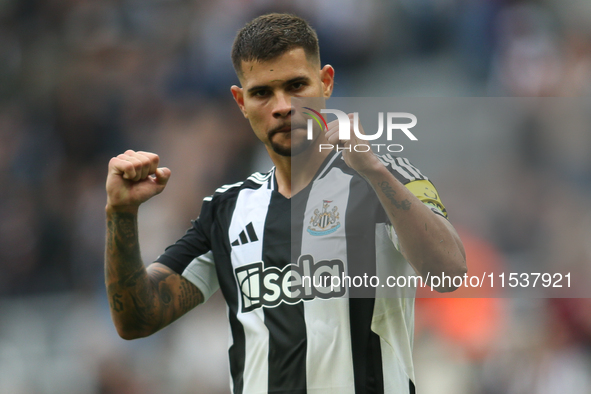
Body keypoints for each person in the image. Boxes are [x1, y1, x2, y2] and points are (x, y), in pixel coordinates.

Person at [104, 13, 466, 394]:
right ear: (241, 102)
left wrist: (375, 171)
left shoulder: (386, 178)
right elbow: (137, 320)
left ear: (325, 83)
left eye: (296, 86)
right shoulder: (226, 212)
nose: (282, 106)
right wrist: (121, 214)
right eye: (262, 93)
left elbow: (450, 273)